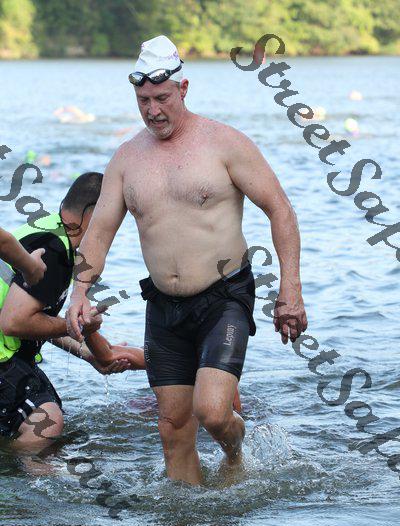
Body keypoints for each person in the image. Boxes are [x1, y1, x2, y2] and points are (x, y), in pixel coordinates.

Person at [66, 36, 307, 485]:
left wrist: (289, 290)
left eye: (162, 98)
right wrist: (79, 292)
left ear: (183, 88)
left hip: (224, 297)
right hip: (163, 305)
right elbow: (99, 232)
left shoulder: (225, 143)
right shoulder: (127, 159)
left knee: (213, 412)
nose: (153, 110)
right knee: (173, 429)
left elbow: (280, 210)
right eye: (143, 101)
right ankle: (185, 521)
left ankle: (235, 454)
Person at [0, 172, 144, 453]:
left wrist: (87, 353)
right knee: (46, 421)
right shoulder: (55, 252)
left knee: (45, 411)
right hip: (4, 358)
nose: (113, 228)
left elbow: (35, 320)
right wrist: (77, 326)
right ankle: (16, 471)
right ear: (92, 213)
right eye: (113, 216)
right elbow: (15, 322)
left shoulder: (51, 231)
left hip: (11, 355)